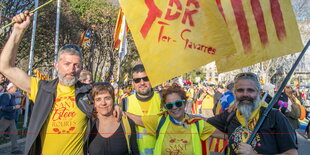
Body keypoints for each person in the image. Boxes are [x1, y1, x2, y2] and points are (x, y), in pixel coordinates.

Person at [0, 11, 120, 155]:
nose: (72, 69)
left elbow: (105, 100)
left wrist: (115, 106)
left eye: (76, 65)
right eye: (67, 64)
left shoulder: (88, 92)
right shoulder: (41, 88)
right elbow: (5, 67)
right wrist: (18, 31)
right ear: (56, 65)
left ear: (81, 67)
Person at [207, 72, 298, 155]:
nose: (245, 94)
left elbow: (292, 153)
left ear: (259, 93)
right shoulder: (231, 114)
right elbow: (203, 123)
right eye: (240, 90)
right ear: (234, 93)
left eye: (250, 90)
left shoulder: (274, 116)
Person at [125, 84, 222, 155]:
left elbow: (227, 136)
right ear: (165, 107)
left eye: (178, 103)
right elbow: (138, 119)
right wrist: (117, 109)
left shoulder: (198, 124)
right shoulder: (159, 121)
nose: (174, 108)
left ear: (184, 104)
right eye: (170, 105)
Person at [86, 82, 139, 155]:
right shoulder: (88, 124)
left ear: (113, 100)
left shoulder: (126, 123)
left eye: (107, 98)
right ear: (94, 103)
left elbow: (135, 151)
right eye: (98, 99)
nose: (103, 103)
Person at [121, 64, 162, 155]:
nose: (142, 83)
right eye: (137, 80)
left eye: (146, 78)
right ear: (133, 83)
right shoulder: (125, 102)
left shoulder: (162, 99)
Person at [0, 83, 23, 154]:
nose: (16, 89)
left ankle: (15, 149)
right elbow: (4, 108)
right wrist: (15, 107)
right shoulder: (5, 96)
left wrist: (16, 106)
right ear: (10, 88)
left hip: (11, 118)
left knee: (14, 134)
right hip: (5, 118)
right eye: (15, 88)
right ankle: (15, 149)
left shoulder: (12, 96)